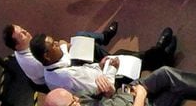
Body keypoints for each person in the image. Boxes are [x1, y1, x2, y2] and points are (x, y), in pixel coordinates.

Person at [30, 29, 177, 96]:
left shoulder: (50, 70)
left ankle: (158, 54)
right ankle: (161, 54)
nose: (57, 43)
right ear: (46, 56)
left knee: (120, 54)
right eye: (54, 45)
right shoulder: (67, 77)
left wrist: (99, 65)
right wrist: (111, 68)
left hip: (100, 75)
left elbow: (86, 72)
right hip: (110, 91)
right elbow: (103, 88)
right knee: (125, 60)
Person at [42, 64, 196, 106]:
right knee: (175, 88)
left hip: (127, 93)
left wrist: (108, 92)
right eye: (72, 103)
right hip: (142, 102)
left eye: (74, 98)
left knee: (166, 73)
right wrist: (141, 95)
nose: (77, 101)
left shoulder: (81, 100)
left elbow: (102, 99)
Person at [2, 23, 118, 87]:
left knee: (81, 38)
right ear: (17, 45)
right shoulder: (33, 60)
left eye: (23, 29)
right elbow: (60, 64)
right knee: (83, 41)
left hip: (55, 70)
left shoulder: (22, 50)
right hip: (59, 75)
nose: (26, 32)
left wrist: (63, 46)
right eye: (22, 35)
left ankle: (104, 42)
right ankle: (112, 62)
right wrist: (64, 47)